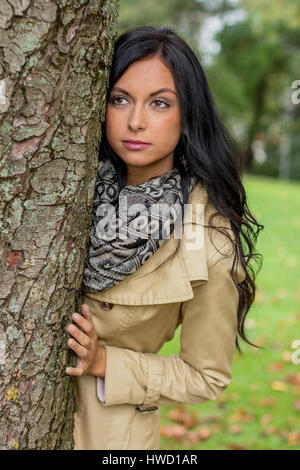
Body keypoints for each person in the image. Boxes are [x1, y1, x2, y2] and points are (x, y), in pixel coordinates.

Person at [65, 25, 264, 450]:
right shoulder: (60, 191)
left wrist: (106, 363)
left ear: (187, 114)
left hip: (111, 438)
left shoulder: (207, 239)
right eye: (120, 99)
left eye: (159, 103)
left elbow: (206, 376)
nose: (135, 121)